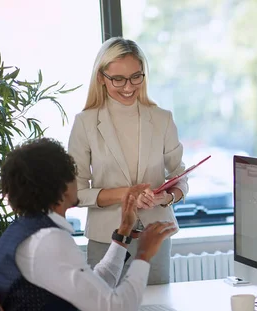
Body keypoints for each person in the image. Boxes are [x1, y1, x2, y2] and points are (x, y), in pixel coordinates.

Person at [0, 138, 176, 311]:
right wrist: (144, 255)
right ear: (62, 186)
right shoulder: (48, 241)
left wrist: (122, 235)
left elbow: (93, 288)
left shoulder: (22, 232)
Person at [68, 37, 188, 285]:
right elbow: (77, 193)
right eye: (118, 79)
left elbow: (181, 177)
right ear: (101, 77)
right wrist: (127, 194)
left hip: (155, 235)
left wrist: (167, 197)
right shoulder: (85, 123)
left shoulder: (162, 119)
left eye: (136, 77)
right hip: (106, 238)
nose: (128, 87)